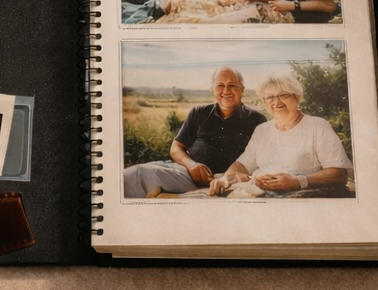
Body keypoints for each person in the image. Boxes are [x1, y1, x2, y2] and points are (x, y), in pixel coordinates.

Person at [122, 67, 266, 197]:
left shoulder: (257, 119)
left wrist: (232, 178)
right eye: (220, 86)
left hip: (229, 182)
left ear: (242, 90)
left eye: (232, 85)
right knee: (133, 175)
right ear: (212, 90)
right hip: (186, 175)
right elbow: (176, 147)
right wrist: (191, 165)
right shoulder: (199, 113)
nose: (226, 91)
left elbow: (261, 159)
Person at [209, 74, 352, 197]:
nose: (276, 102)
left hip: (303, 199)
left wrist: (297, 182)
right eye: (270, 97)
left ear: (297, 97)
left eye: (283, 95)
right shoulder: (262, 130)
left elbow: (339, 174)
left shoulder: (317, 126)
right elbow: (243, 163)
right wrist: (225, 178)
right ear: (264, 102)